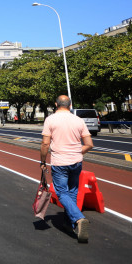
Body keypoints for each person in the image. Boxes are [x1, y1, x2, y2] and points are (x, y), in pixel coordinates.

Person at [40, 95, 94, 243]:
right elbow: (89, 144)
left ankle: (79, 219)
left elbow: (45, 144)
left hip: (60, 162)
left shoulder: (50, 120)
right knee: (72, 192)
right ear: (70, 105)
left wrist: (42, 161)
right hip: (76, 162)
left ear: (56, 104)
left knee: (61, 192)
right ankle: (68, 224)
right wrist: (77, 152)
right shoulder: (78, 120)